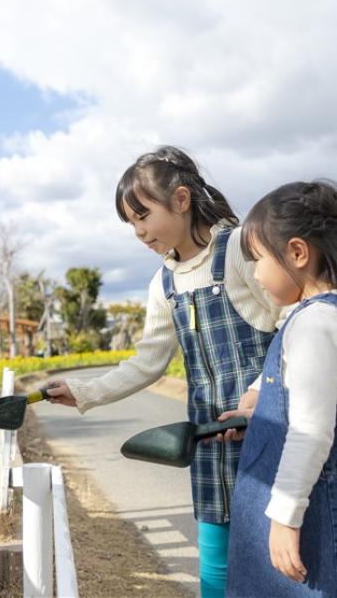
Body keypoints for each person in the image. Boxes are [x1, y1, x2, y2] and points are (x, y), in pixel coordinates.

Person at [44, 146, 283, 598]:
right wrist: (84, 391)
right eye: (129, 223)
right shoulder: (164, 282)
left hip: (268, 428)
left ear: (181, 200)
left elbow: (289, 326)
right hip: (210, 441)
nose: (137, 231)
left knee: (279, 560)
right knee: (213, 569)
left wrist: (256, 393)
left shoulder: (239, 250)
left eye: (142, 216)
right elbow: (147, 362)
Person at [222, 181, 337, 597]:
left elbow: (312, 430)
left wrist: (286, 517)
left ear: (297, 252)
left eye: (257, 259)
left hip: (304, 518)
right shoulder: (313, 318)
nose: (254, 273)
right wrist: (262, 413)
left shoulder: (312, 323)